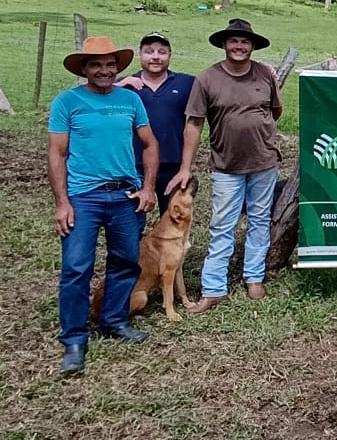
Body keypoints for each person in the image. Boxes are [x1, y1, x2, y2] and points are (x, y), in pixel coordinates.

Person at [48, 36, 159, 375]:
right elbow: (57, 154)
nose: (104, 70)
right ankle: (74, 338)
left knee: (125, 262)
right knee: (76, 267)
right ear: (84, 68)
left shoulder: (130, 100)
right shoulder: (67, 102)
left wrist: (148, 188)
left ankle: (114, 319)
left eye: (110, 65)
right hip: (84, 197)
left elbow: (150, 144)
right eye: (96, 64)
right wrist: (62, 203)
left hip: (125, 195)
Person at [167, 19, 282, 314]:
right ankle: (214, 288)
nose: (239, 46)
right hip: (226, 165)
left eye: (245, 41)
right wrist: (185, 167)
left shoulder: (265, 75)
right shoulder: (207, 79)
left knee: (259, 219)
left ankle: (254, 277)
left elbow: (275, 111)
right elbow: (194, 123)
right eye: (233, 41)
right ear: (224, 44)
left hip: (264, 162)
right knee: (222, 226)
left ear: (252, 46)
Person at [115, 32, 195, 216]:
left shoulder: (186, 83)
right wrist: (119, 85)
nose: (156, 57)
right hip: (134, 165)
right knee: (132, 220)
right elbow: (92, 95)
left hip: (173, 164)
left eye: (162, 52)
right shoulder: (125, 85)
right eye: (149, 51)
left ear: (170, 55)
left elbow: (214, 90)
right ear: (140, 54)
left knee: (173, 219)